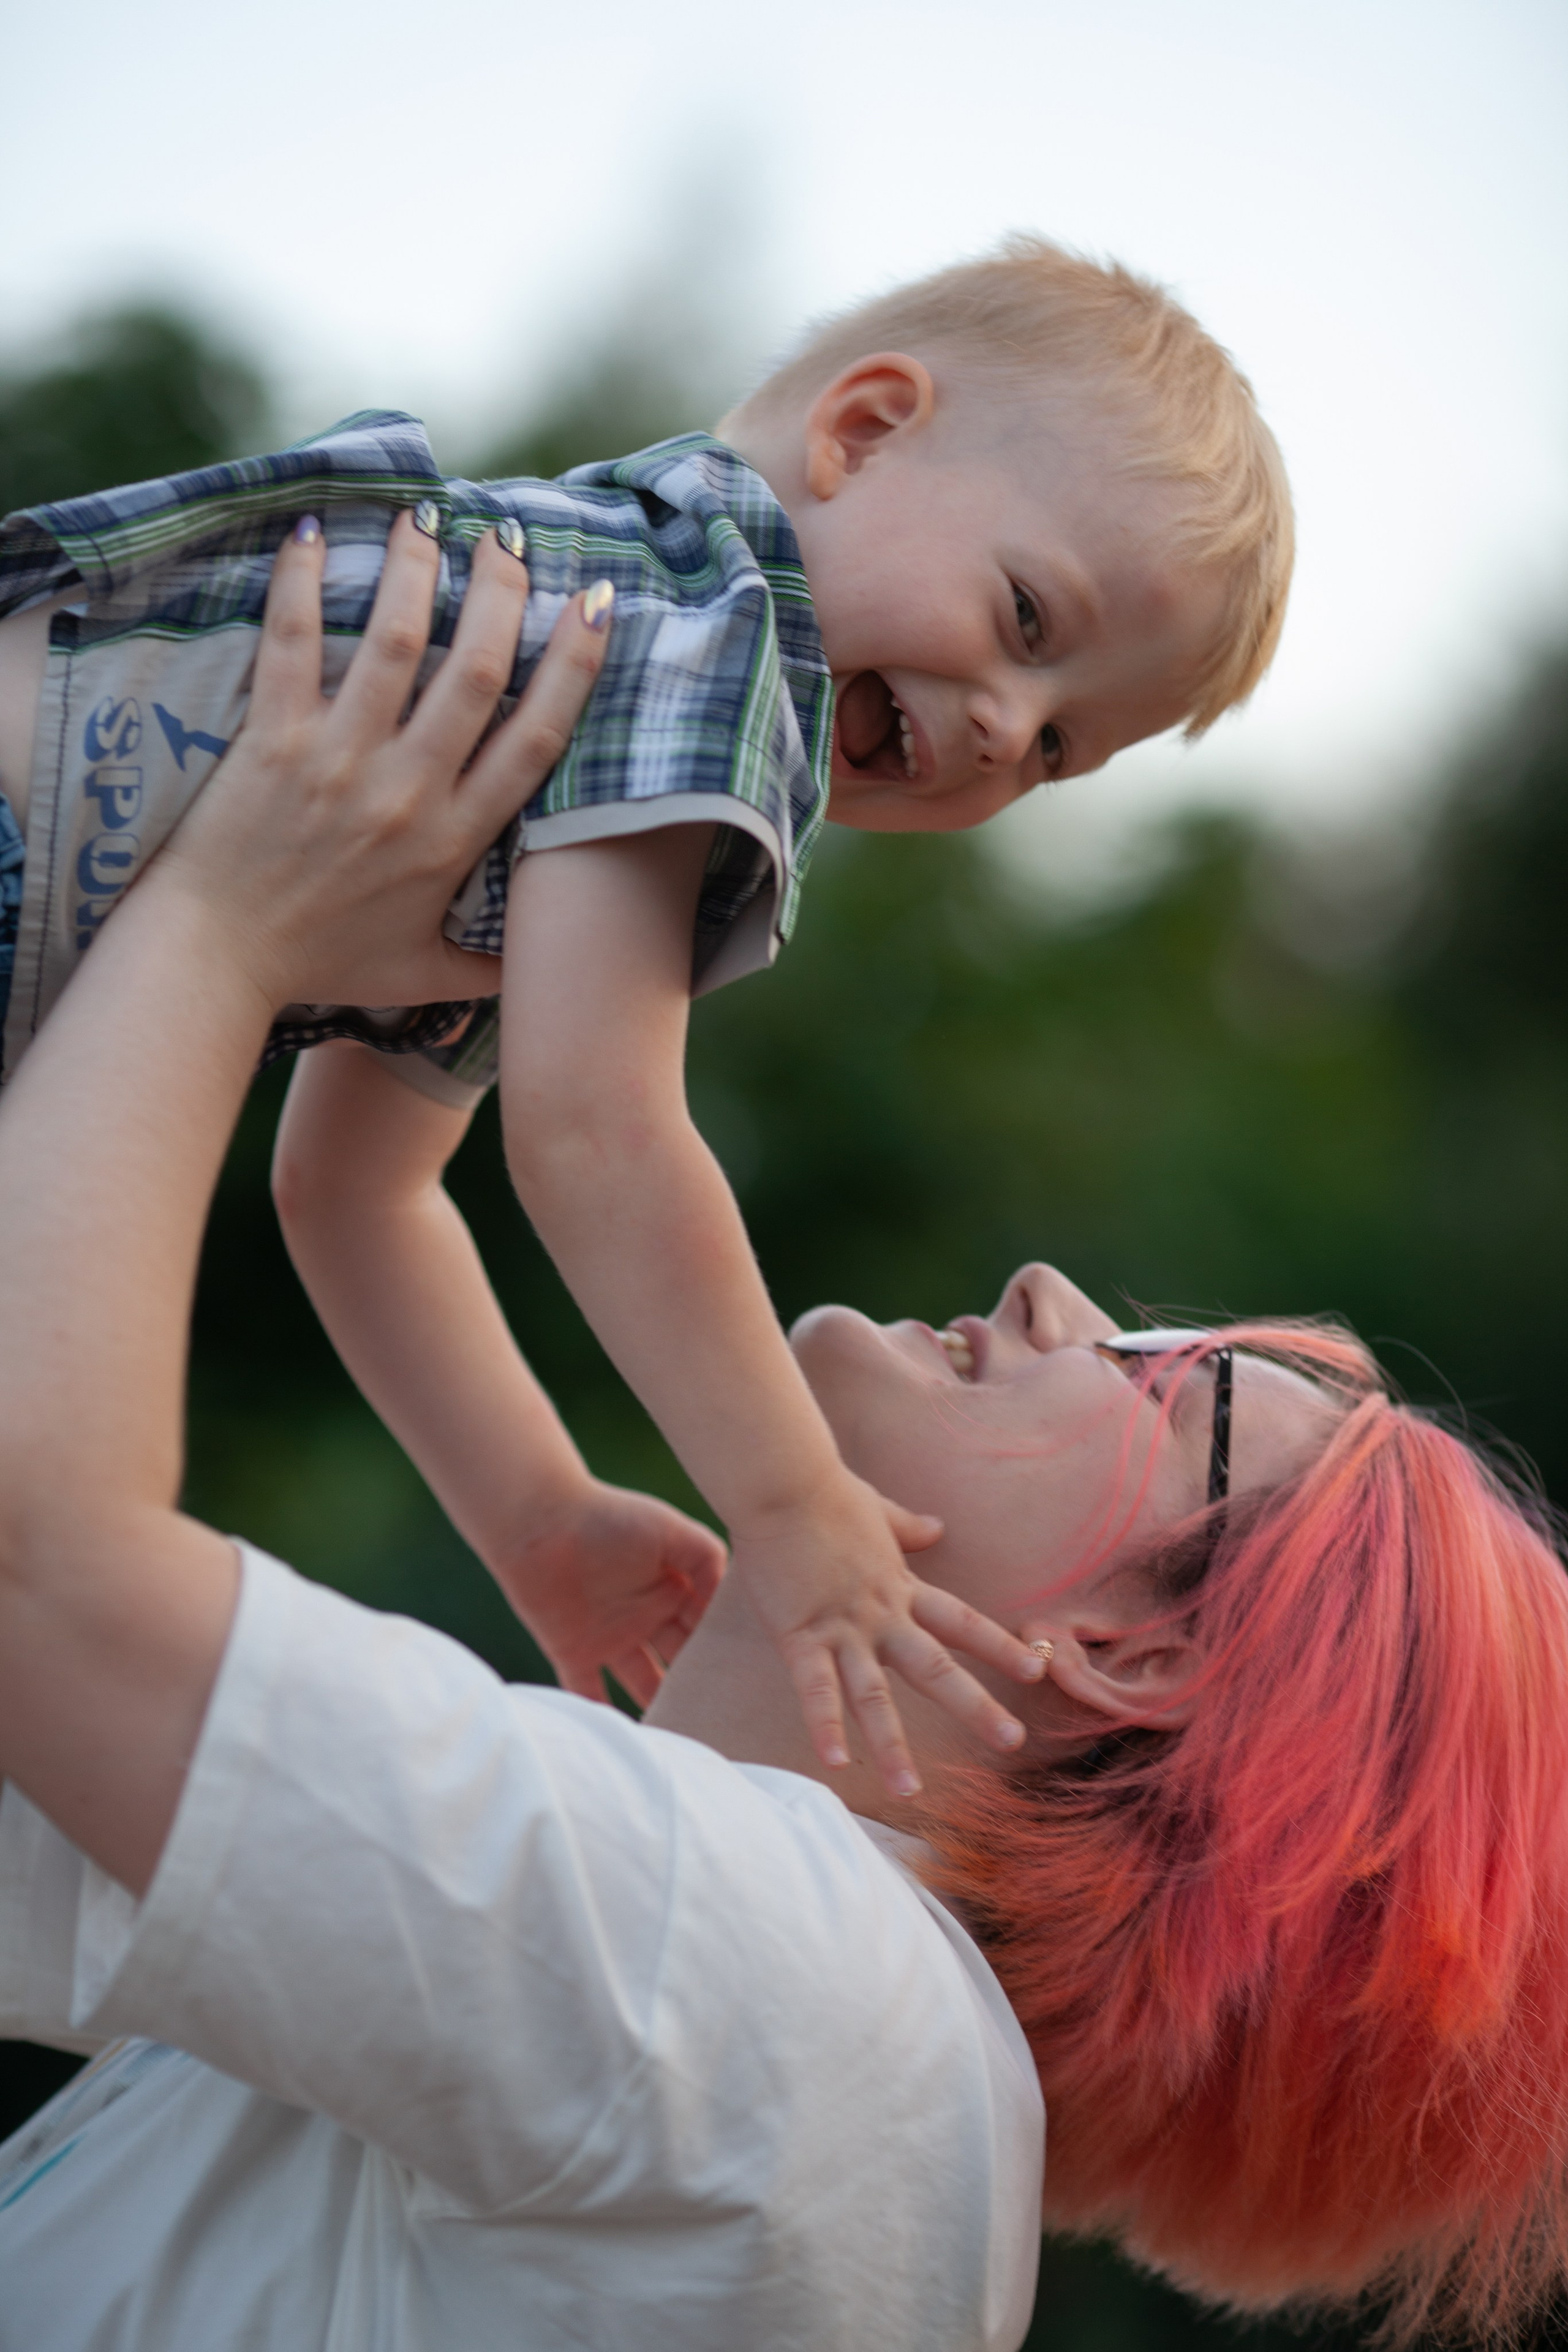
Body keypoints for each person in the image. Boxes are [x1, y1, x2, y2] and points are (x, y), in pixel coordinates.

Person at [5, 518, 1568, 2352]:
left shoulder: (806, 2010)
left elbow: (41, 1570)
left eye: (1173, 1383)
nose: (1063, 1292)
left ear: (1135, 1657)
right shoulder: (761, 1997)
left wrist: (228, 914)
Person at [0, 236, 1292, 1790]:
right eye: (1025, 618)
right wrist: (791, 1500)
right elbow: (601, 1129)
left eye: (1058, 751)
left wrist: (535, 1512)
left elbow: (355, 1188)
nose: (1004, 731)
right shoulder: (705, 637)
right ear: (863, 429)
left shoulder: (555, 760)